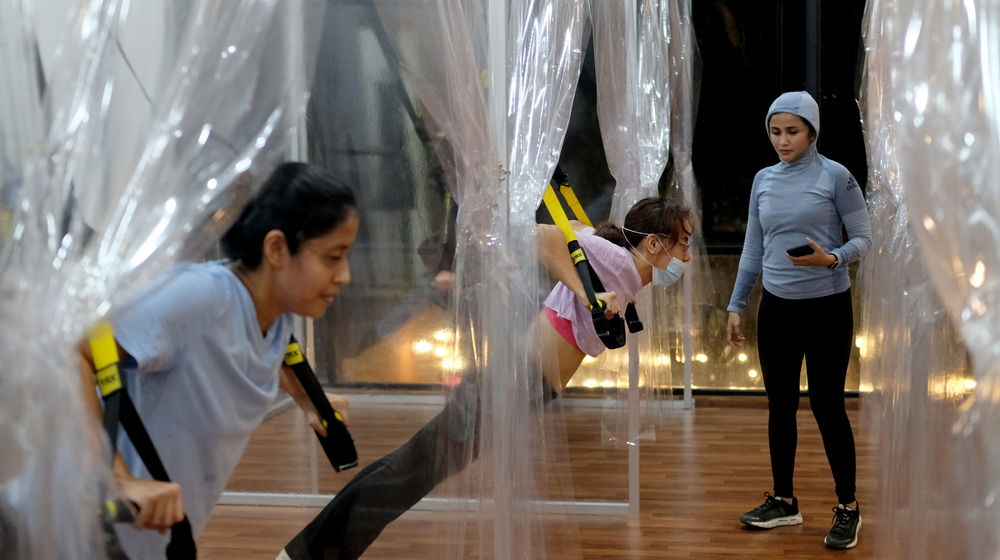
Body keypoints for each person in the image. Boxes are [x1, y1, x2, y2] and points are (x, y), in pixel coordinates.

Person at [280, 196, 693, 560]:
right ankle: (306, 553)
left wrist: (591, 285)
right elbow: (544, 236)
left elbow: (577, 231)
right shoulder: (618, 261)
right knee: (407, 474)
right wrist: (589, 297)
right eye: (683, 244)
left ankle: (308, 552)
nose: (687, 258)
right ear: (653, 244)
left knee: (407, 471)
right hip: (512, 382)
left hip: (522, 386)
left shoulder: (623, 269)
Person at [77, 162, 358, 558]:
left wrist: (308, 398)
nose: (345, 275)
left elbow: (240, 352)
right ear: (276, 248)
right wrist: (114, 479)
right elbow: (72, 353)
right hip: (73, 531)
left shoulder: (274, 315)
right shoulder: (198, 297)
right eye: (333, 257)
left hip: (146, 542)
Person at [725, 91, 871, 550]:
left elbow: (864, 238)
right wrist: (736, 304)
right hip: (777, 310)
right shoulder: (763, 180)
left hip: (827, 308)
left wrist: (832, 258)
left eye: (792, 131)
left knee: (828, 407)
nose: (782, 140)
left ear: (812, 132)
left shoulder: (836, 176)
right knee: (780, 405)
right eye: (775, 131)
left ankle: (848, 506)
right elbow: (753, 248)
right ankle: (784, 501)